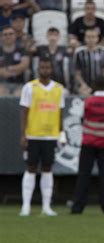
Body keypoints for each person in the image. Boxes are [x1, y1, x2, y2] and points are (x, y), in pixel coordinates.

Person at [19, 57, 66, 216]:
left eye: (47, 67)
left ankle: (46, 206)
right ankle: (26, 206)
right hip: (33, 134)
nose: (45, 70)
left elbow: (60, 112)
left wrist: (61, 133)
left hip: (50, 135)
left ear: (51, 69)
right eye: (42, 68)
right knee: (31, 168)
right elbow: (24, 111)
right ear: (38, 69)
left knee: (47, 168)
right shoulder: (29, 87)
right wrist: (23, 134)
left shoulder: (59, 89)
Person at [71, 75, 104, 214]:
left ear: (93, 85)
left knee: (84, 175)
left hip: (89, 143)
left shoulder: (87, 101)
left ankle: (77, 207)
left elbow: (81, 118)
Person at [73, 27, 104, 96]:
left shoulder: (103, 52)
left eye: (93, 37)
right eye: (88, 37)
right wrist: (83, 84)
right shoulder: (79, 53)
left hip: (100, 85)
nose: (91, 39)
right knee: (83, 93)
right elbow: (77, 73)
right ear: (85, 38)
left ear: (97, 38)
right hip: (85, 84)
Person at [0, 25, 30, 96]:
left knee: (19, 96)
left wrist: (8, 69)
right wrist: (16, 70)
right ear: (1, 37)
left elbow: (24, 65)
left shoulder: (22, 49)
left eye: (11, 34)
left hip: (19, 83)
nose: (8, 36)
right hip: (1, 84)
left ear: (15, 36)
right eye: (5, 34)